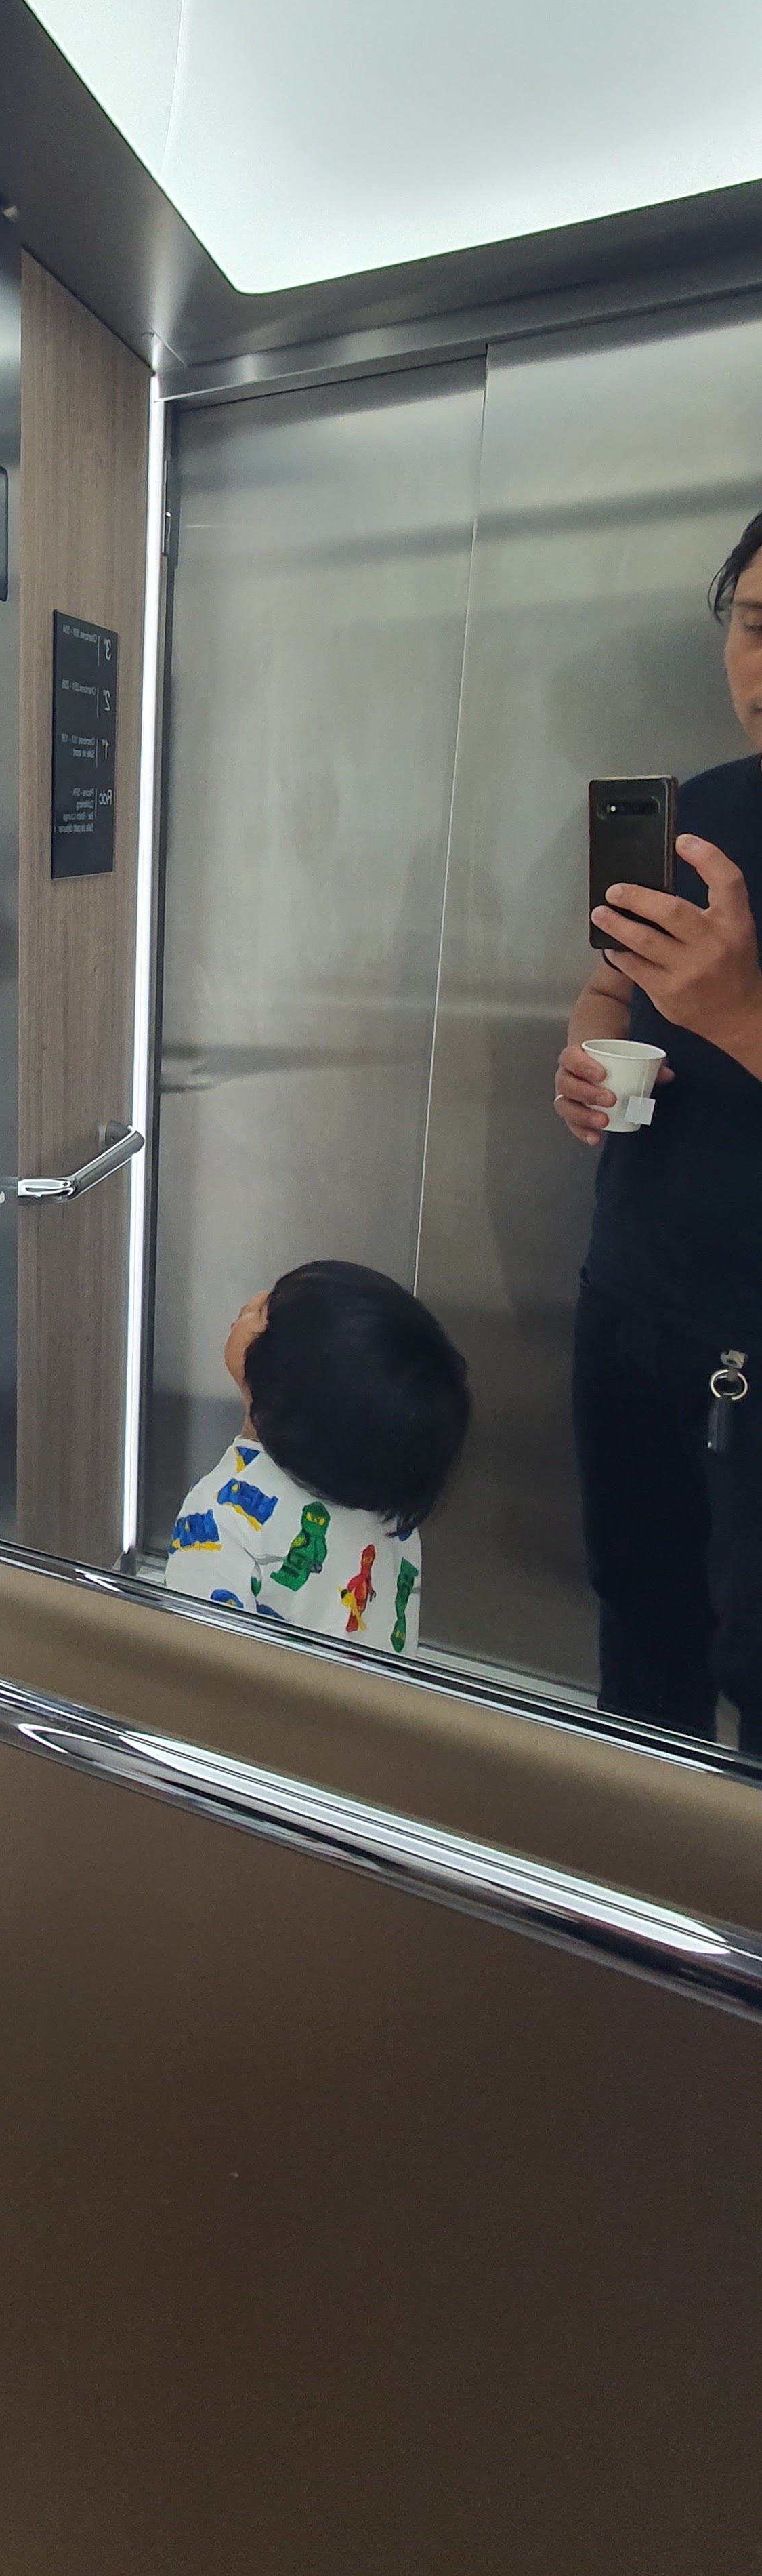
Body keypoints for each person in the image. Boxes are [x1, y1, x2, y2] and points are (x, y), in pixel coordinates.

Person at [556, 508, 762, 1753]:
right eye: (757, 626)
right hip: (630, 1306)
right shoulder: (704, 813)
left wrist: (741, 1012)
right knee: (640, 1642)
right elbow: (608, 983)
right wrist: (584, 1052)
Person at [161, 1259, 469, 1654]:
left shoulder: (220, 1516)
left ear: (290, 1386)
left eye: (264, 1314)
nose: (252, 1301)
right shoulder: (390, 1513)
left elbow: (194, 1668)